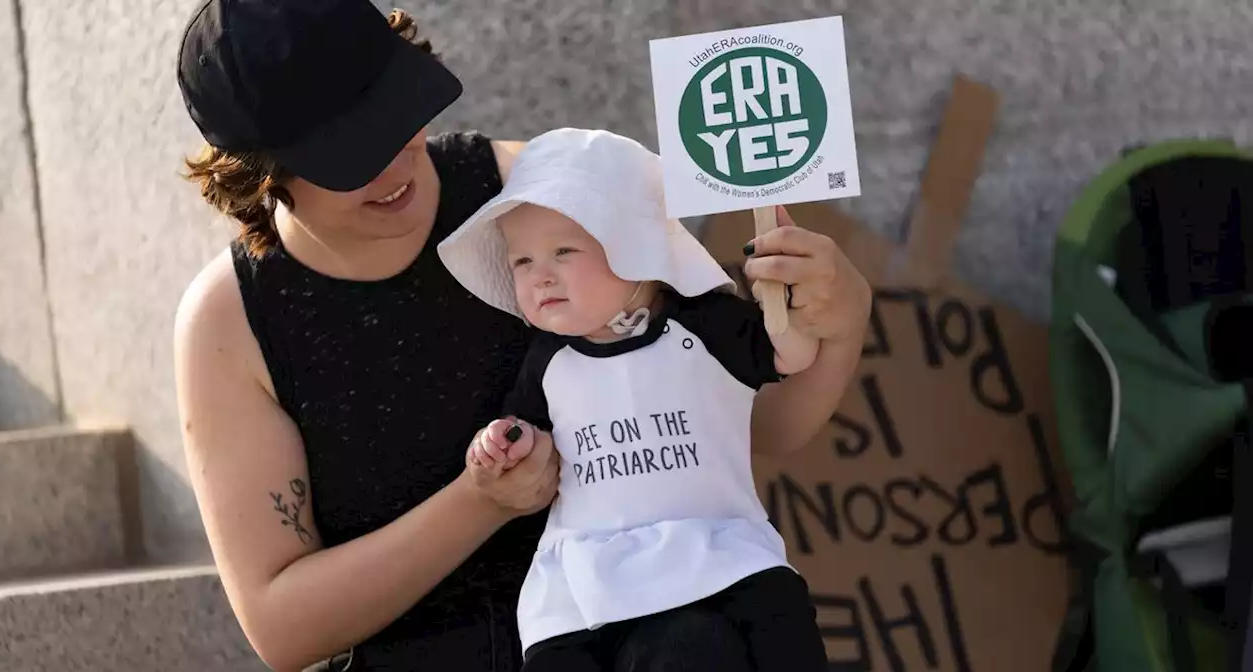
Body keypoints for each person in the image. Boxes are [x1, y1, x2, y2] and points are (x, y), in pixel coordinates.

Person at [170, 0, 872, 669]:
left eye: (394, 113)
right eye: (349, 153)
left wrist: (838, 325)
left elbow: (752, 427)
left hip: (657, 637)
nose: (393, 163)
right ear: (259, 177)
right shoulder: (229, 323)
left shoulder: (540, 194)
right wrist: (480, 502)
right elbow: (281, 626)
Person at [438, 128, 832, 672]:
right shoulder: (547, 359)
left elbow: (790, 353)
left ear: (637, 245)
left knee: (780, 632)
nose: (540, 275)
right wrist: (509, 445)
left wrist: (787, 286)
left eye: (563, 250)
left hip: (717, 552)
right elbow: (529, 434)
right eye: (521, 261)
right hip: (584, 578)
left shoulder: (706, 326)